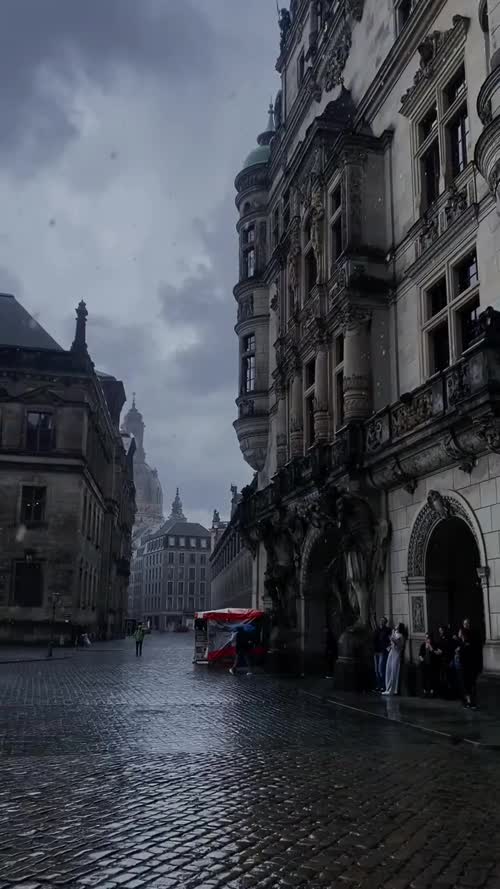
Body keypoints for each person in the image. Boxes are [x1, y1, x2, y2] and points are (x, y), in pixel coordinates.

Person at [383, 623, 405, 696]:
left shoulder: (401, 636)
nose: (396, 626)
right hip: (392, 652)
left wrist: (393, 640)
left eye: (397, 625)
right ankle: (388, 687)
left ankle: (392, 689)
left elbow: (399, 645)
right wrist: (390, 646)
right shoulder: (394, 633)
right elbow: (392, 643)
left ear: (399, 627)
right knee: (388, 668)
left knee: (394, 670)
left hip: (396, 654)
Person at [373, 617, 391, 691]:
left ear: (385, 622)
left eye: (383, 621)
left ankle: (383, 685)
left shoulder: (387, 630)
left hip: (382, 652)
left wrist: (387, 648)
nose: (381, 622)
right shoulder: (377, 630)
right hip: (376, 651)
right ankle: (378, 685)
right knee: (376, 670)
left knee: (381, 669)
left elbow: (389, 640)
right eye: (381, 620)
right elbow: (374, 639)